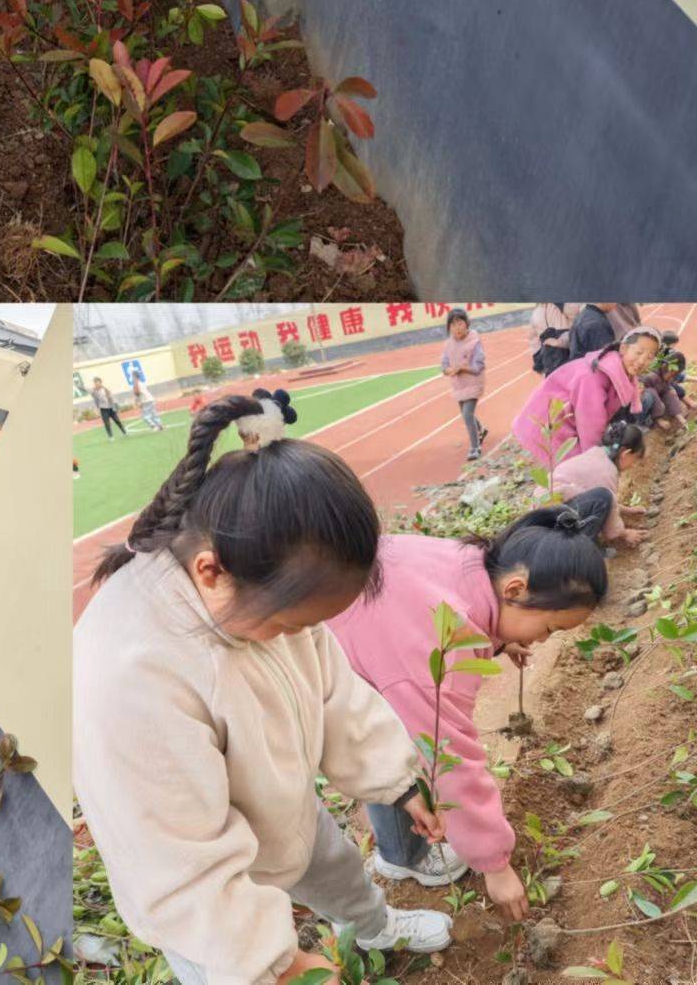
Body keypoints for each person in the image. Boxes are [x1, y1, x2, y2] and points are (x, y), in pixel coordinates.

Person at [74, 396, 454, 981]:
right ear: (211, 570)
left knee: (336, 867)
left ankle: (374, 926)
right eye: (288, 624)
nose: (296, 638)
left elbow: (333, 689)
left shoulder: (258, 590)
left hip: (281, 807)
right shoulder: (130, 673)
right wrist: (271, 963)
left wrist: (397, 779)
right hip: (205, 902)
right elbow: (180, 867)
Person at [330, 503, 608, 924]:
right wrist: (494, 864)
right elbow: (452, 758)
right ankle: (400, 857)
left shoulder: (470, 565)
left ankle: (398, 848)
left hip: (355, 638)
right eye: (549, 629)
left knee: (398, 738)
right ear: (515, 589)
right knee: (403, 748)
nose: (544, 641)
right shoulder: (437, 654)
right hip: (325, 672)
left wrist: (499, 639)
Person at [511, 327, 662, 469]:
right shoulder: (592, 378)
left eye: (649, 357)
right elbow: (591, 428)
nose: (642, 361)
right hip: (543, 428)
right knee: (568, 480)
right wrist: (598, 465)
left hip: (564, 426)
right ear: (623, 348)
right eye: (639, 352)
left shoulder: (622, 375)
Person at [546, 422, 648, 546]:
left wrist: (628, 510)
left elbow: (590, 499)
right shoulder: (607, 471)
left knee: (602, 498)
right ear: (625, 454)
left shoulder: (597, 454)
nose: (633, 465)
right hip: (552, 524)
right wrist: (624, 533)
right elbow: (605, 501)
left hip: (547, 514)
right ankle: (580, 549)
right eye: (635, 459)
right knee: (603, 497)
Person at [440, 308, 489, 462]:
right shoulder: (448, 344)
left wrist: (462, 368)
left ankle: (475, 447)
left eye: (460, 323)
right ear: (449, 328)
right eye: (453, 325)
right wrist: (448, 370)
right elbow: (444, 364)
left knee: (467, 414)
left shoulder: (474, 341)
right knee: (466, 415)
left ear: (466, 324)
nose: (457, 328)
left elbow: (478, 366)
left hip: (474, 382)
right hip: (458, 384)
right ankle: (481, 429)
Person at [529, 303, 576, 377]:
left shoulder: (565, 304)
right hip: (549, 361)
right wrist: (537, 359)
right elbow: (534, 338)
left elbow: (576, 322)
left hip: (567, 357)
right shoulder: (537, 311)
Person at [129, 367, 163, 432]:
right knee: (153, 413)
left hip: (145, 401)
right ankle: (159, 425)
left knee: (145, 416)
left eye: (133, 376)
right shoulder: (141, 383)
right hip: (150, 399)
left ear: (135, 377)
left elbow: (137, 393)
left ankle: (154, 426)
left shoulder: (136, 384)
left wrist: (137, 402)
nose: (132, 378)